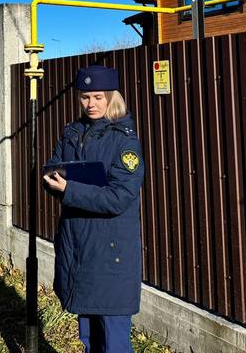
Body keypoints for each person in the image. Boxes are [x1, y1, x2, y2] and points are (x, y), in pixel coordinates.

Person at [42, 65, 144, 353]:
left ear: (112, 97)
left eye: (99, 97)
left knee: (114, 341)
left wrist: (69, 189)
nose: (91, 104)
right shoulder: (73, 133)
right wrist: (50, 180)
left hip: (111, 254)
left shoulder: (124, 141)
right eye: (85, 97)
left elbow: (118, 197)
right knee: (88, 337)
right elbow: (55, 168)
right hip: (79, 248)